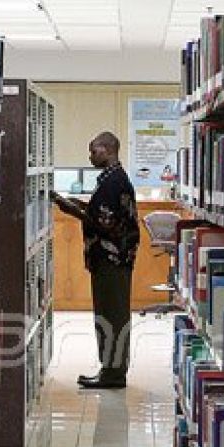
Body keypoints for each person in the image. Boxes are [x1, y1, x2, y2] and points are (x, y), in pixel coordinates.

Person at [52, 132, 140, 389]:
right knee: (110, 313)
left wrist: (68, 209)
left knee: (111, 315)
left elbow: (104, 223)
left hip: (112, 259)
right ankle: (110, 369)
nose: (90, 156)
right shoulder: (112, 179)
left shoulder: (114, 182)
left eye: (94, 151)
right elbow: (100, 211)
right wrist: (76, 204)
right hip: (112, 259)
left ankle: (113, 374)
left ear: (108, 150)